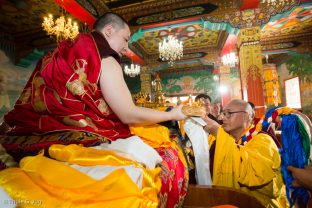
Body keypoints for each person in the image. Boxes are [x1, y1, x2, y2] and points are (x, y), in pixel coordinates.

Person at [0, 12, 188, 208]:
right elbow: (128, 113)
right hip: (79, 131)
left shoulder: (61, 53)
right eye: (125, 39)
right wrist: (172, 114)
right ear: (108, 31)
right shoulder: (105, 59)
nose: (126, 48)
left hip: (35, 131)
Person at [202, 99, 287, 208]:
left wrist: (218, 133)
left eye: (229, 113)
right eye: (223, 113)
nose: (222, 118)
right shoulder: (219, 139)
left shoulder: (263, 140)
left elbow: (255, 174)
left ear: (247, 116)